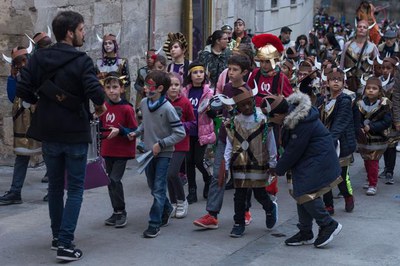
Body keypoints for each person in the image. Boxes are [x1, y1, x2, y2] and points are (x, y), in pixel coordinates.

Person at [16, 11, 107, 261]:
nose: (83, 33)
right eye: (81, 29)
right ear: (70, 32)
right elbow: (95, 92)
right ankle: (65, 243)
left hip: (48, 131)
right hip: (75, 132)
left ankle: (57, 235)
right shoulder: (82, 61)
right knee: (75, 188)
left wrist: (40, 100)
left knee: (56, 187)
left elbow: (23, 89)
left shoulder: (38, 58)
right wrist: (99, 107)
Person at [265, 92, 343, 248]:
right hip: (309, 158)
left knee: (305, 193)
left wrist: (277, 169)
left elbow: (293, 150)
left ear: (280, 114)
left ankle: (328, 224)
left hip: (318, 159)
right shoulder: (293, 118)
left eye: (272, 118)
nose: (271, 122)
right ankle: (305, 231)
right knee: (299, 191)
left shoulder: (301, 122)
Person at [193, 54, 253, 229]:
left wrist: (234, 117)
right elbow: (221, 108)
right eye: (230, 69)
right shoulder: (226, 87)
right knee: (218, 175)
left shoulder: (246, 92)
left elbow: (250, 118)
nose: (231, 72)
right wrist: (213, 108)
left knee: (242, 176)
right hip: (224, 137)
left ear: (245, 72)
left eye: (235, 70)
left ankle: (245, 210)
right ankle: (212, 215)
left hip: (242, 141)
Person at [128, 70, 185, 238]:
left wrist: (161, 144)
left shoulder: (167, 108)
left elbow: (179, 132)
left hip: (164, 153)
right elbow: (145, 124)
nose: (145, 88)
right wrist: (136, 133)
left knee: (159, 188)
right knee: (153, 186)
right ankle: (167, 208)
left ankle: (154, 223)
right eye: (146, 84)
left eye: (149, 85)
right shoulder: (145, 103)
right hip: (148, 153)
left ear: (160, 88)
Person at [221, 85, 278, 237]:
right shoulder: (234, 122)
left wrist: (273, 163)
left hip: (258, 162)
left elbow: (270, 142)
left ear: (253, 101)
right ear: (237, 106)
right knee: (239, 195)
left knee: (259, 193)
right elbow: (230, 143)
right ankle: (238, 223)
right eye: (242, 104)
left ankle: (270, 208)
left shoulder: (263, 119)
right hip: (239, 164)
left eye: (249, 103)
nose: (246, 107)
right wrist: (225, 164)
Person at [0, 46, 42, 206]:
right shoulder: (15, 76)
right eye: (19, 61)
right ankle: (15, 191)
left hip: (39, 116)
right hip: (22, 120)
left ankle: (53, 189)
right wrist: (12, 78)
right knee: (21, 156)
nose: (23, 64)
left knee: (50, 154)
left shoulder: (38, 72)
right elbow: (12, 97)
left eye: (25, 60)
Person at [100, 72, 137, 228]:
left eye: (115, 87)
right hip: (108, 149)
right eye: (108, 88)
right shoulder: (104, 107)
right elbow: (101, 127)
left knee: (115, 179)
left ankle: (122, 211)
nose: (112, 91)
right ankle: (115, 211)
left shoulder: (127, 108)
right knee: (109, 181)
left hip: (122, 150)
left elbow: (134, 130)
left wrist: (121, 131)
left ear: (122, 89)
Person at [317, 68, 356, 214]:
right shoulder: (321, 100)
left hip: (342, 144)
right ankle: (329, 205)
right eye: (332, 79)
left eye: (339, 79)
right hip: (324, 143)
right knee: (325, 176)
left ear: (343, 83)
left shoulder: (345, 100)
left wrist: (330, 140)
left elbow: (340, 123)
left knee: (341, 176)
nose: (335, 81)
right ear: (327, 82)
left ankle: (348, 196)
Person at [182, 62, 216, 204]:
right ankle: (192, 191)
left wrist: (211, 110)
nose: (198, 75)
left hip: (203, 132)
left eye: (201, 72)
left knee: (199, 161)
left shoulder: (209, 92)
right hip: (188, 132)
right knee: (188, 162)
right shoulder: (184, 92)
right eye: (195, 72)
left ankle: (208, 179)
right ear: (190, 75)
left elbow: (215, 113)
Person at [166, 72, 195, 218]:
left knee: (173, 172)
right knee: (167, 175)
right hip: (165, 143)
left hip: (181, 143)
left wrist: (182, 126)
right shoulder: (162, 102)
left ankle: (182, 200)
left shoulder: (185, 102)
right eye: (170, 85)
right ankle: (173, 202)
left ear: (181, 87)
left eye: (176, 85)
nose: (173, 88)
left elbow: (192, 121)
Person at [356, 77, 392, 196]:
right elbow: (357, 118)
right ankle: (370, 178)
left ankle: (373, 184)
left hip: (378, 137)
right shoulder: (360, 103)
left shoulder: (384, 103)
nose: (371, 90)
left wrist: (372, 127)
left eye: (374, 88)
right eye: (368, 88)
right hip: (364, 138)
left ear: (379, 90)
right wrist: (360, 127)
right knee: (367, 159)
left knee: (373, 160)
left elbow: (386, 121)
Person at [340, 20, 379, 94]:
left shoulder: (373, 47)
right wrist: (341, 79)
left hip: (366, 83)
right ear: (356, 28)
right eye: (359, 26)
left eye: (364, 27)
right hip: (349, 80)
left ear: (367, 30)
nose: (361, 28)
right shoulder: (347, 45)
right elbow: (342, 65)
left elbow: (377, 66)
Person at [379, 57, 400, 184]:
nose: (385, 71)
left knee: (391, 145)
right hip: (382, 118)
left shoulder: (396, 82)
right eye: (383, 68)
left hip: (393, 117)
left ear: (394, 69)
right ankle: (386, 167)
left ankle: (390, 171)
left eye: (388, 68)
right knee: (385, 144)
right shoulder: (378, 82)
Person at [95, 33, 131, 102]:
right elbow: (95, 80)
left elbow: (127, 81)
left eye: (110, 43)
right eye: (105, 44)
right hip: (103, 97)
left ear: (115, 45)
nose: (107, 45)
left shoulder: (122, 62)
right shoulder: (98, 63)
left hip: (118, 97)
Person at [134, 49, 156, 153]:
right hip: (144, 98)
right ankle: (143, 141)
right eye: (147, 57)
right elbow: (136, 84)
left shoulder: (158, 71)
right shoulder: (142, 71)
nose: (149, 60)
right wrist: (141, 89)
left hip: (155, 97)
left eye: (152, 57)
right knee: (143, 119)